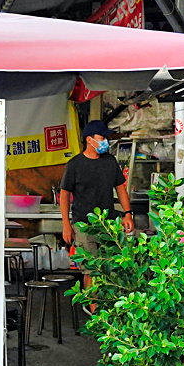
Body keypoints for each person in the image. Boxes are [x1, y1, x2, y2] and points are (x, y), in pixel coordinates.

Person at [59, 120, 134, 290]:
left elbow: (120, 189)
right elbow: (64, 195)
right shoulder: (75, 165)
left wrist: (127, 213)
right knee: (91, 270)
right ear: (89, 139)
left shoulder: (110, 161)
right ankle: (94, 315)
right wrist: (66, 225)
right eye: (102, 138)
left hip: (108, 224)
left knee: (112, 269)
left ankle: (109, 312)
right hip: (83, 224)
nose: (105, 142)